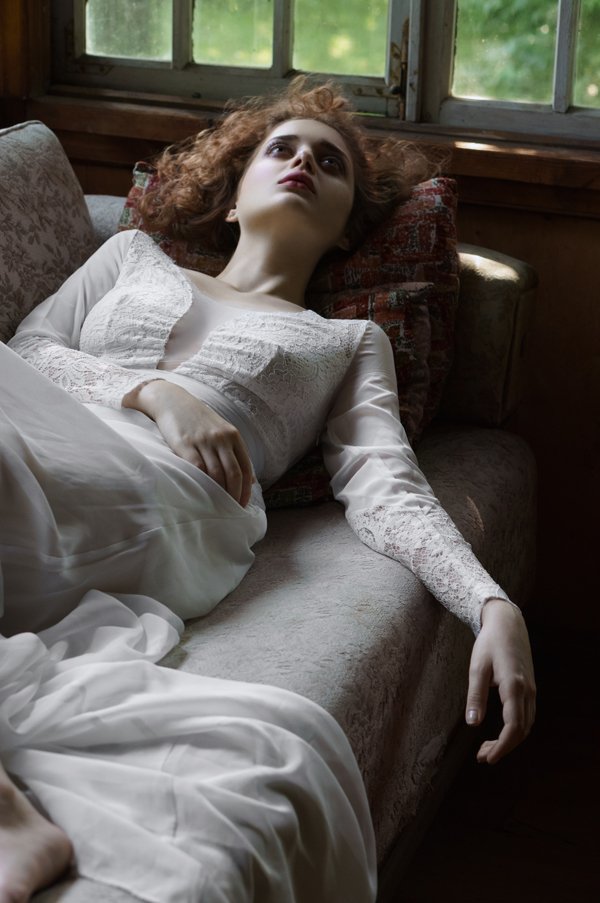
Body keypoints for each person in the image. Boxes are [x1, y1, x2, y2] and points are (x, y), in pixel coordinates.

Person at [0, 77, 535, 902]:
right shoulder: (128, 255)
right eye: (280, 149)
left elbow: (385, 484)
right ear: (230, 198)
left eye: (329, 162)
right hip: (42, 432)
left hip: (168, 499)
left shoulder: (345, 341)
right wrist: (155, 392)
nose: (302, 162)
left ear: (346, 227)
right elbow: (30, 349)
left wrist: (490, 603)